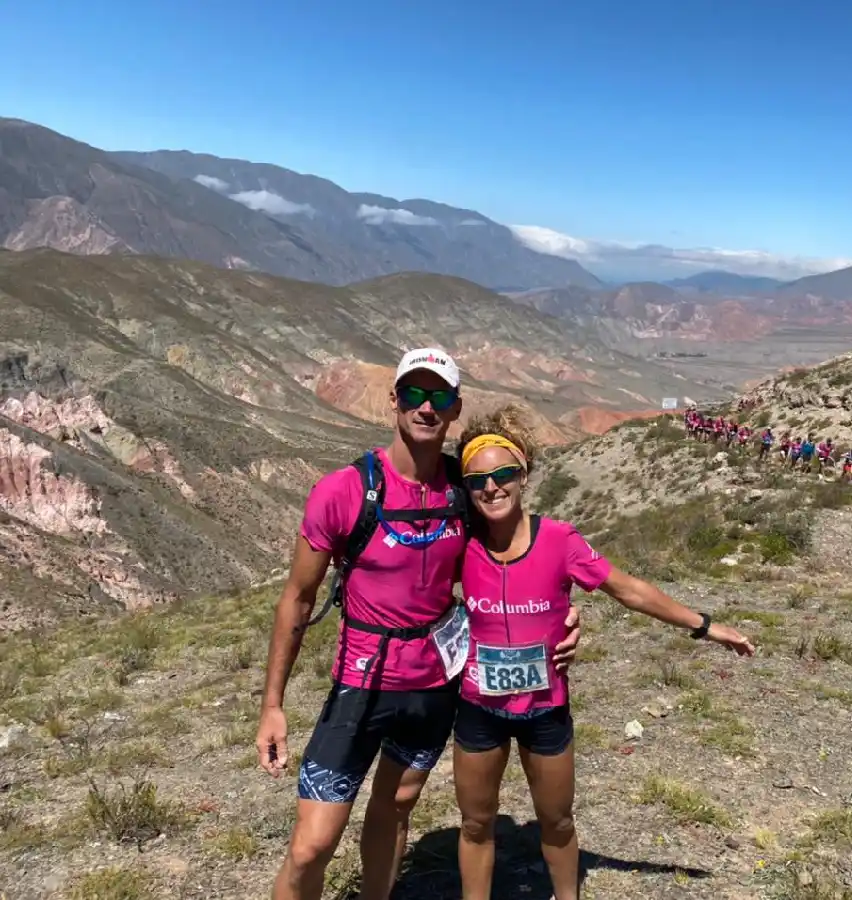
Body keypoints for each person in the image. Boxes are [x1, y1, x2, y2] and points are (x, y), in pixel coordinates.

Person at [255, 349, 583, 900]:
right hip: (361, 685)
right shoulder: (344, 491)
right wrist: (272, 705)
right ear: (394, 400)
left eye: (439, 398)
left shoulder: (467, 490)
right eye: (413, 394)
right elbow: (297, 597)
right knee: (312, 845)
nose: (425, 407)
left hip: (434, 687)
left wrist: (566, 616)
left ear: (455, 410)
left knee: (397, 807)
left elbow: (520, 552)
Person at [451, 410, 755, 900]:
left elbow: (628, 590)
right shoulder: (459, 543)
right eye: (478, 480)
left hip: (544, 709)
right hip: (477, 708)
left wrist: (704, 625)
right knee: (474, 824)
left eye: (503, 474)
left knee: (558, 821)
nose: (492, 487)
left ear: (524, 474)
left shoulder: (559, 540)